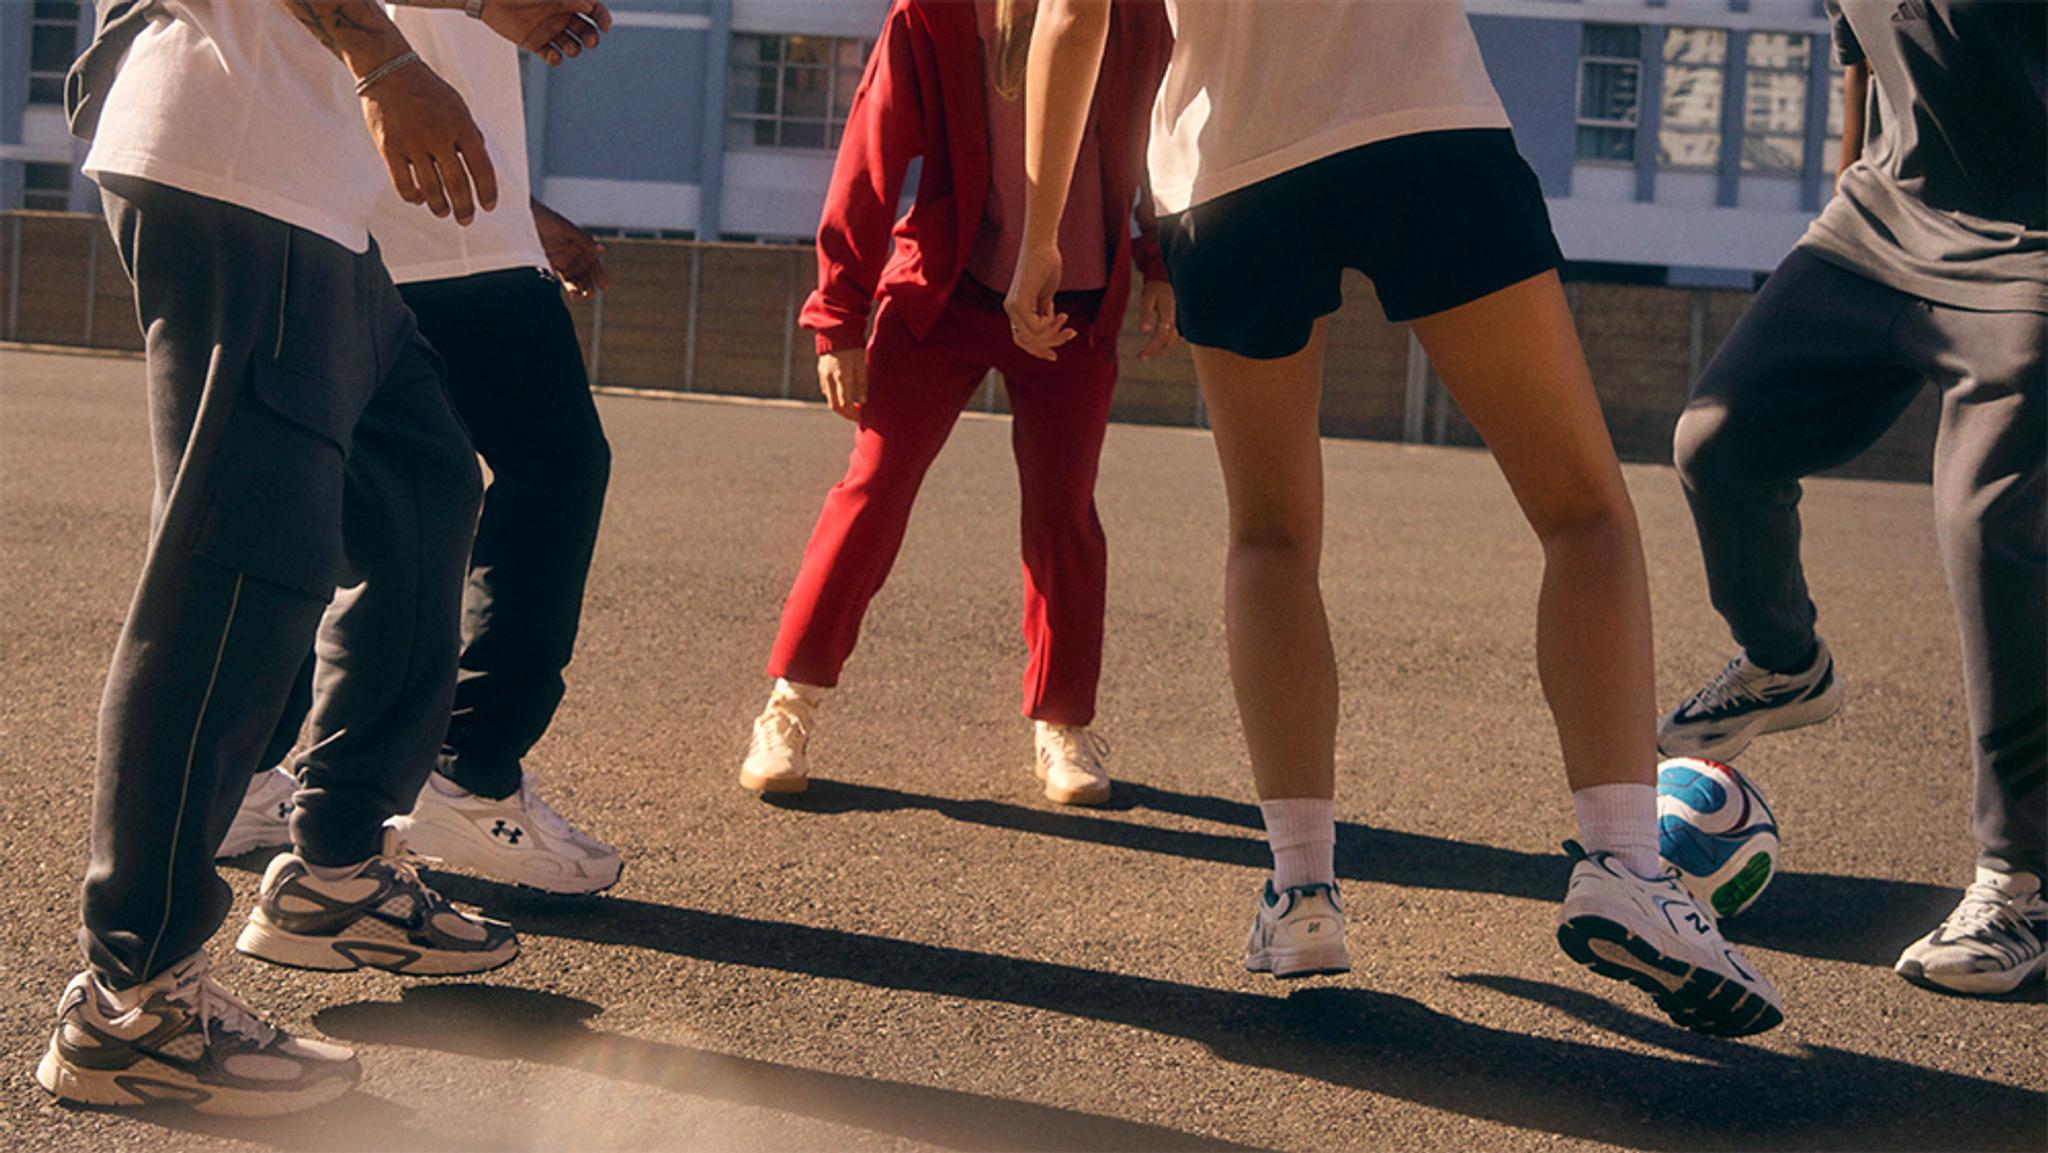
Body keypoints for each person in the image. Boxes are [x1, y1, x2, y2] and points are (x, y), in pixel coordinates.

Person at [1008, 0, 1781, 1035]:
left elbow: (1069, 17)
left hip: (1225, 168)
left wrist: (1038, 235)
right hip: (1418, 120)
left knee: (1269, 533)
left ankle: (1301, 890)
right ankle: (1625, 864)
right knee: (1581, 512)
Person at [35, 0, 608, 1116]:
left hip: (317, 193)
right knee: (239, 567)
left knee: (421, 488)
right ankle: (130, 1000)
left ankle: (335, 873)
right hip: (238, 163)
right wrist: (382, 53)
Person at [1659, 0, 2044, 996]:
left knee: (1990, 530)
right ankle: (1784, 662)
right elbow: (1859, 62)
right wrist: (1840, 208)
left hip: (2029, 241)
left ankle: (2019, 886)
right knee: (1715, 442)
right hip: (1876, 220)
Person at [223, 4, 622, 898]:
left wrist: (524, 207)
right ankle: (466, 773)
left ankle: (242, 777)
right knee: (548, 470)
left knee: (341, 505)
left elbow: (436, 49)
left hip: (405, 203)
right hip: (443, 227)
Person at [738, 0, 1175, 807]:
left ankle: (1063, 725)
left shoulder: (1137, 14)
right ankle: (788, 706)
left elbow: (1156, 144)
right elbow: (871, 152)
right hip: (947, 296)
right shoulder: (933, 14)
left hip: (1073, 308)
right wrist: (837, 312)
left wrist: (1159, 262)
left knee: (1063, 514)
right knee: (872, 489)